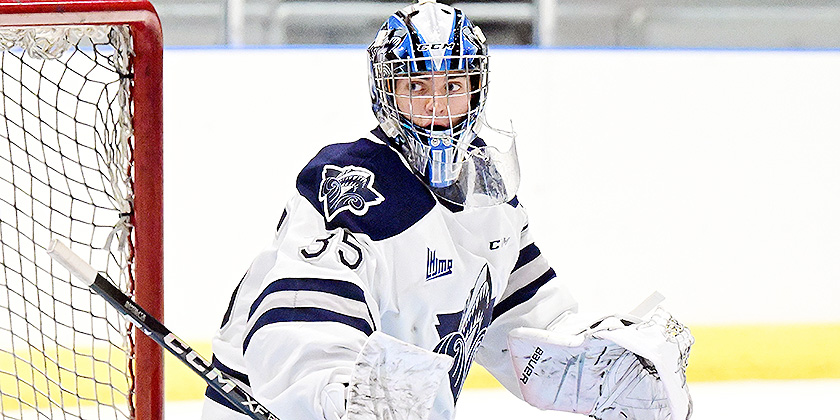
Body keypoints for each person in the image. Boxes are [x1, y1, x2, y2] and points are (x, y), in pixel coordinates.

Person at [201, 1, 694, 419]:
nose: (438, 106)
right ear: (385, 93)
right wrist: (337, 396)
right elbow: (298, 320)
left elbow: (527, 332)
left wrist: (603, 368)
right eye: (416, 87)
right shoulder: (354, 183)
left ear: (476, 90)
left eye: (453, 85)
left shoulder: (492, 199)